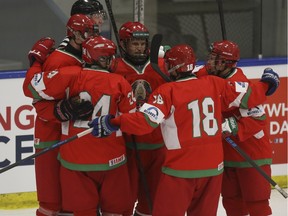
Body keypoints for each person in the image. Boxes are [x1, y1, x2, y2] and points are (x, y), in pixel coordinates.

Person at [88, 44, 279, 216]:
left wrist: (115, 122)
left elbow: (144, 121)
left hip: (181, 170)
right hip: (213, 170)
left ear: (171, 69)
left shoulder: (167, 91)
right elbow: (251, 94)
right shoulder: (215, 83)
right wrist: (267, 84)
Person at [26, 35, 135, 216]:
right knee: (114, 212)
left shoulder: (69, 75)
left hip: (75, 160)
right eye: (107, 57)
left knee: (82, 212)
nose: (111, 61)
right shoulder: (120, 82)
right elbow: (132, 120)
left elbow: (31, 88)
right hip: (112, 159)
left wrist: (36, 62)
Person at [23, 14, 97, 216]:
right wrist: (60, 111)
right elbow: (38, 100)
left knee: (73, 201)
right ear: (72, 33)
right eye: (85, 32)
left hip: (72, 137)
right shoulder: (58, 60)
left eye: (92, 32)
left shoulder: (89, 55)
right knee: (51, 202)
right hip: (51, 136)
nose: (89, 36)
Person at [196, 40, 273, 216]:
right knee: (231, 203)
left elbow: (258, 118)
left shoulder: (242, 84)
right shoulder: (207, 75)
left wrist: (230, 125)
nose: (209, 61)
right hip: (226, 154)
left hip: (252, 153)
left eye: (215, 59)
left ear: (227, 63)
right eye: (211, 57)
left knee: (257, 203)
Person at [113, 21, 168, 215]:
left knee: (151, 202)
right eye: (134, 43)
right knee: (123, 201)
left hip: (158, 144)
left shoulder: (162, 65)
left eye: (143, 43)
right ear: (123, 45)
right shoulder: (114, 67)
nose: (140, 47)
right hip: (127, 146)